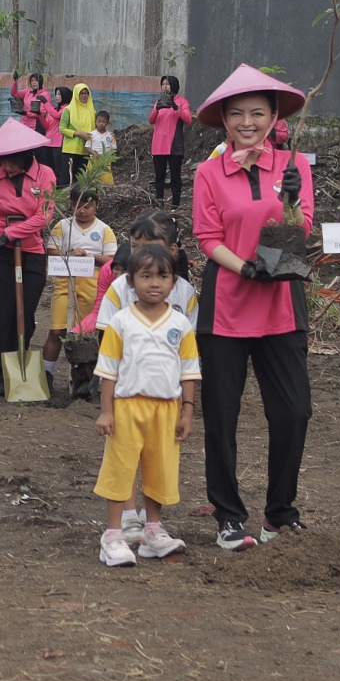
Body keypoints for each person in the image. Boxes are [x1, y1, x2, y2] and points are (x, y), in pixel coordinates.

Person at [189, 62, 321, 551]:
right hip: (226, 306)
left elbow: (303, 225)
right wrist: (244, 267)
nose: (248, 122)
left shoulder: (295, 166)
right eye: (238, 114)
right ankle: (228, 516)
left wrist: (289, 206)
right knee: (222, 417)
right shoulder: (208, 172)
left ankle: (280, 513)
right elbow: (207, 236)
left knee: (294, 411)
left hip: (282, 303)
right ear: (224, 120)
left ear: (273, 118)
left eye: (258, 113)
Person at [92, 241, 198, 566]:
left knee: (160, 468)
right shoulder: (121, 322)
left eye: (163, 276)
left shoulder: (180, 325)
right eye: (146, 276)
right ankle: (113, 535)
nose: (155, 283)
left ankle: (153, 531)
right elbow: (108, 371)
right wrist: (106, 411)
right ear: (131, 282)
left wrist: (187, 411)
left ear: (174, 282)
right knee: (121, 468)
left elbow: (189, 370)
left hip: (165, 410)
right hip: (127, 407)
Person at [0, 116, 57, 396]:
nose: (4, 167)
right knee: (0, 313)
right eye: (0, 161)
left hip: (31, 252)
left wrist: (9, 234)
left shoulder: (45, 174)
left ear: (25, 156)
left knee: (25, 313)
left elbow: (44, 215)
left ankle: (19, 364)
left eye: (9, 161)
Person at [42, 188, 118, 405]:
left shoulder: (104, 230)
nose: (82, 210)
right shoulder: (62, 226)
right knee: (57, 330)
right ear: (71, 203)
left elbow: (112, 259)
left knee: (84, 336)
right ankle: (46, 374)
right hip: (65, 284)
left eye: (88, 205)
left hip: (91, 287)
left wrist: (91, 256)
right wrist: (69, 253)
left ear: (97, 205)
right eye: (78, 205)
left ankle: (83, 381)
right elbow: (51, 250)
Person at [148, 75, 192, 203]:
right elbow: (151, 120)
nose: (164, 86)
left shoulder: (182, 102)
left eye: (167, 84)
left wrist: (175, 107)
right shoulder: (158, 102)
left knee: (175, 176)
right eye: (163, 84)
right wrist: (157, 109)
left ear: (174, 85)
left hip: (174, 145)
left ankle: (175, 204)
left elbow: (188, 120)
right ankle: (159, 201)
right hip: (159, 145)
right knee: (159, 176)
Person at [61, 83, 97, 185]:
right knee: (67, 178)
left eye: (86, 93)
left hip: (85, 149)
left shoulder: (92, 111)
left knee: (80, 179)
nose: (84, 96)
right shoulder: (68, 110)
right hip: (70, 149)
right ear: (76, 94)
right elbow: (62, 129)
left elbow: (95, 129)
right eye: (81, 93)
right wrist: (78, 133)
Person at [88, 108, 119, 188]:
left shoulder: (110, 135)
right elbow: (87, 147)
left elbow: (113, 149)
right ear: (95, 122)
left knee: (107, 181)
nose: (101, 124)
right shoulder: (91, 134)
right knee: (92, 180)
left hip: (105, 161)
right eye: (99, 121)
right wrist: (95, 154)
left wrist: (107, 156)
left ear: (108, 123)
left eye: (104, 122)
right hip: (93, 161)